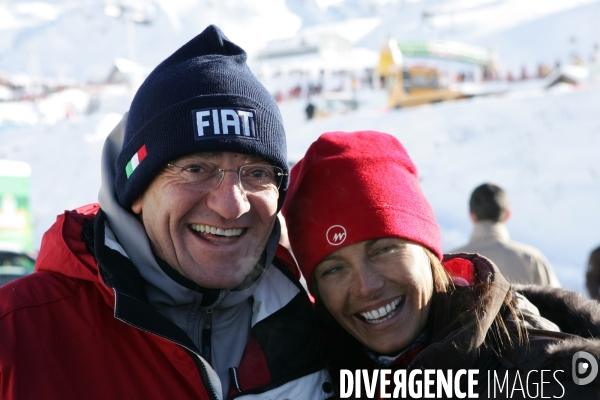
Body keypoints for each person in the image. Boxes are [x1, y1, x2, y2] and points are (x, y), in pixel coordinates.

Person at [0, 26, 332, 400]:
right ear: (137, 191)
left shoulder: (324, 333)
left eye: (257, 173)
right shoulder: (18, 337)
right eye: (196, 169)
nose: (232, 204)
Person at [282, 131, 600, 399]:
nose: (367, 286)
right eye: (333, 269)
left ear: (430, 250)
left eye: (384, 250)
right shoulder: (307, 383)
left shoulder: (546, 375)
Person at [451, 183, 561, 287]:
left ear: (471, 215)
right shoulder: (532, 259)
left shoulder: (449, 260)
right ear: (507, 215)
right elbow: (560, 303)